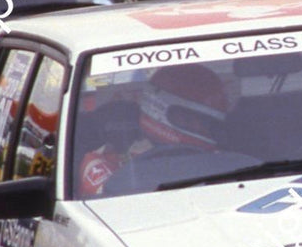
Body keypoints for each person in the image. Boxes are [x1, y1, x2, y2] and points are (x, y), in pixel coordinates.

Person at [78, 65, 231, 197]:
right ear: (159, 109)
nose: (203, 128)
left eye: (209, 123)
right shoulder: (105, 164)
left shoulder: (232, 163)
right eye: (194, 119)